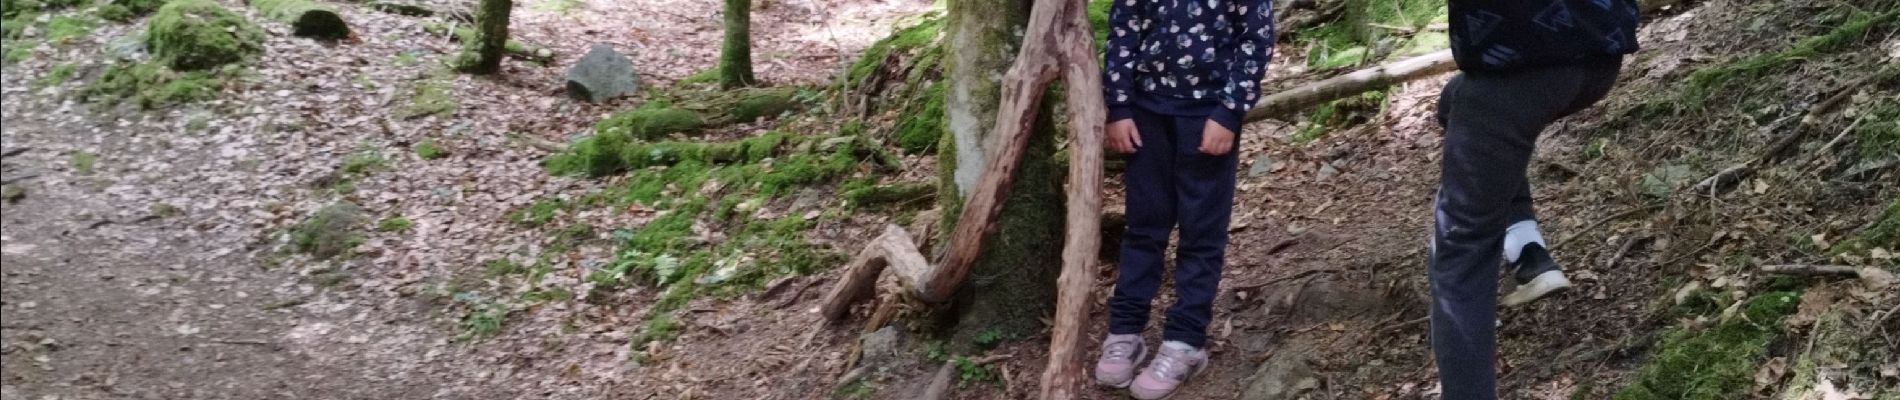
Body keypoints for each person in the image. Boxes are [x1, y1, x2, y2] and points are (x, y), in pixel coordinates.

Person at [1428, 0, 1639, 398]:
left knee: (1460, 247)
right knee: (1455, 102)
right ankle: (1528, 248)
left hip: (1519, 70)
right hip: (1598, 55)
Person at [1091, 0, 1274, 397]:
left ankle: (1184, 342)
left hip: (1207, 117)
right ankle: (1126, 330)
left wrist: (1229, 112)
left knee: (1200, 234)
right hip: (1146, 114)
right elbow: (1124, 31)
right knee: (1144, 227)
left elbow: (1256, 39)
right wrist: (1119, 106)